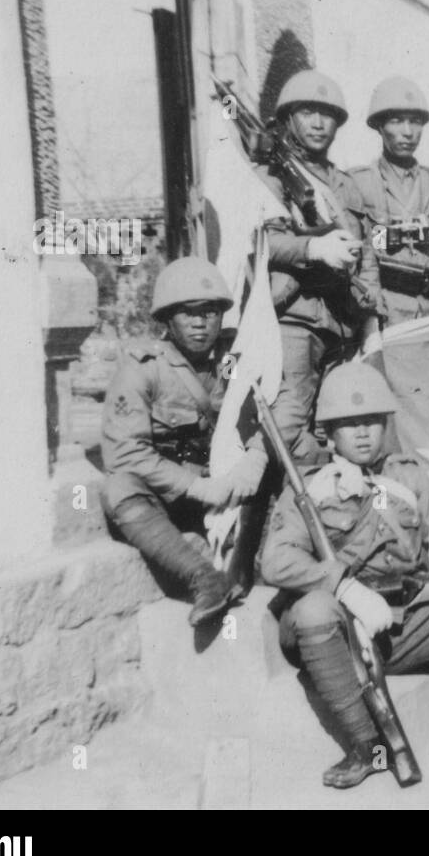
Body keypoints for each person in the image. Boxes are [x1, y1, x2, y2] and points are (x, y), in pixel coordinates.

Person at [259, 362, 429, 788]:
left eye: (371, 420)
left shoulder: (408, 477)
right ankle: (366, 746)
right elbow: (275, 561)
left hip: (405, 621)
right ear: (329, 432)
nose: (362, 432)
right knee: (313, 611)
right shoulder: (311, 486)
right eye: (348, 424)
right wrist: (343, 585)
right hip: (344, 630)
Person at [101, 258, 268, 626]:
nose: (199, 323)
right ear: (167, 319)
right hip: (172, 491)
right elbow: (126, 453)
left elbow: (260, 409)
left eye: (209, 312)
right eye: (187, 313)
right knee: (119, 489)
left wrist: (255, 458)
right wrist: (196, 487)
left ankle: (248, 571)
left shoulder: (229, 361)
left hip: (223, 486)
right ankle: (203, 578)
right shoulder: (144, 368)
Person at [258, 69, 384, 463]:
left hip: (343, 322)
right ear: (289, 118)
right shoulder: (272, 178)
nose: (317, 123)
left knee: (339, 423)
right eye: (308, 112)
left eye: (327, 115)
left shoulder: (346, 185)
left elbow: (366, 256)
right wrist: (314, 247)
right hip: (296, 319)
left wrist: (371, 322)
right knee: (289, 424)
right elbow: (265, 243)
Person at [348, 76, 429, 326]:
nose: (408, 132)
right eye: (396, 121)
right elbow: (363, 254)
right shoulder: (361, 182)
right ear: (379, 126)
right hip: (390, 312)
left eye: (415, 122)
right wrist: (371, 321)